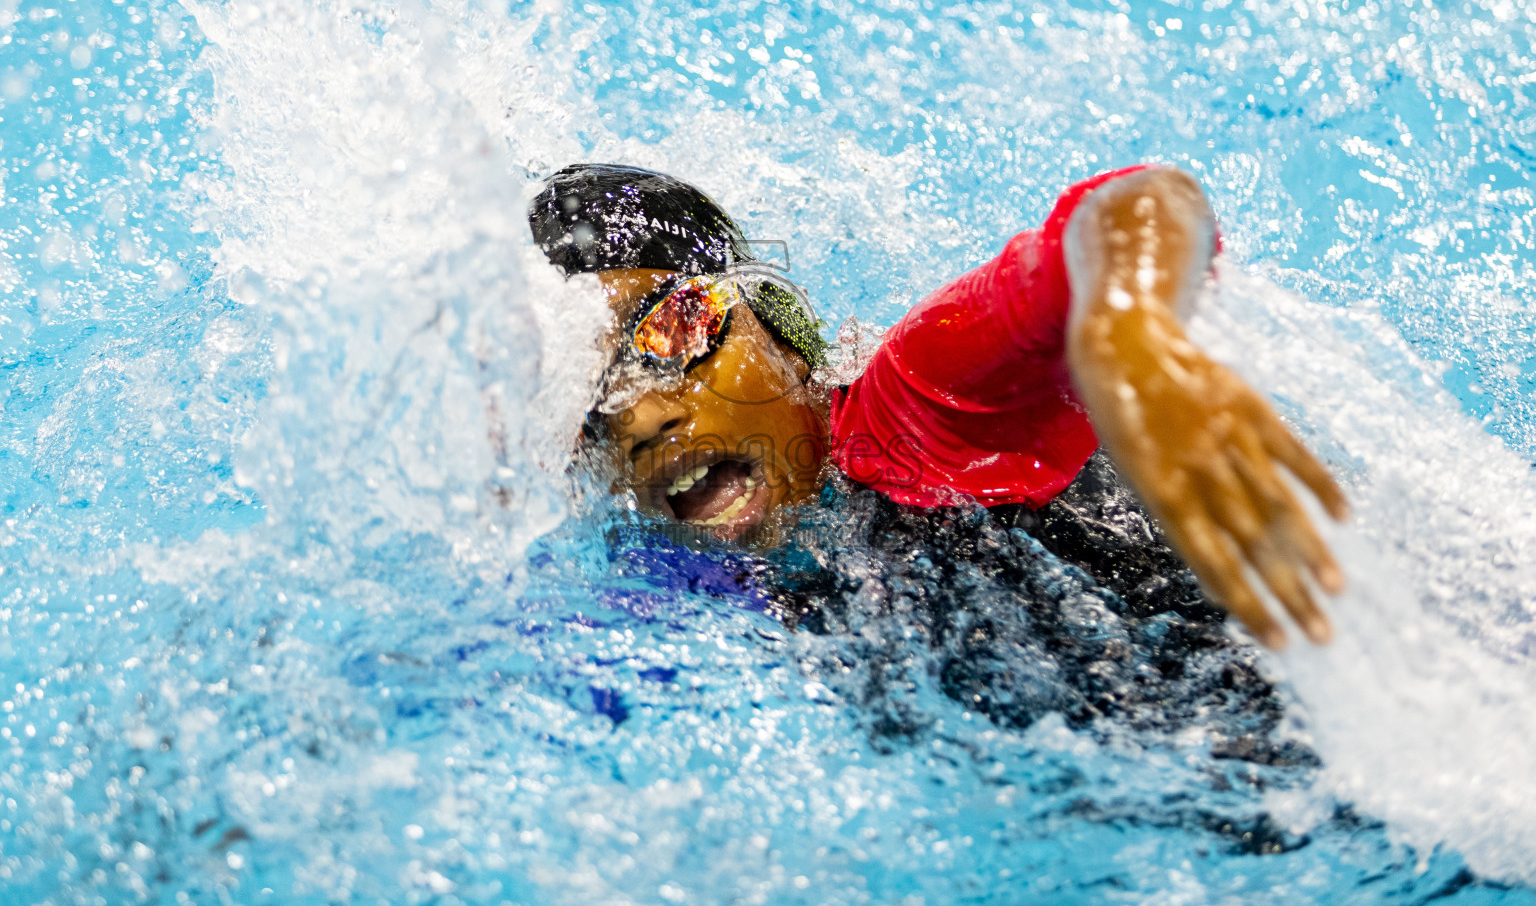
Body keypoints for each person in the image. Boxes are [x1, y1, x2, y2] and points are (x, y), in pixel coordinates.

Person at [528, 162, 1349, 652]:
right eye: (583, 401)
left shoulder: (917, 409)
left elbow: (1137, 205)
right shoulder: (701, 585)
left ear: (778, 321)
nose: (638, 418)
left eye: (668, 333)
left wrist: (1128, 328)